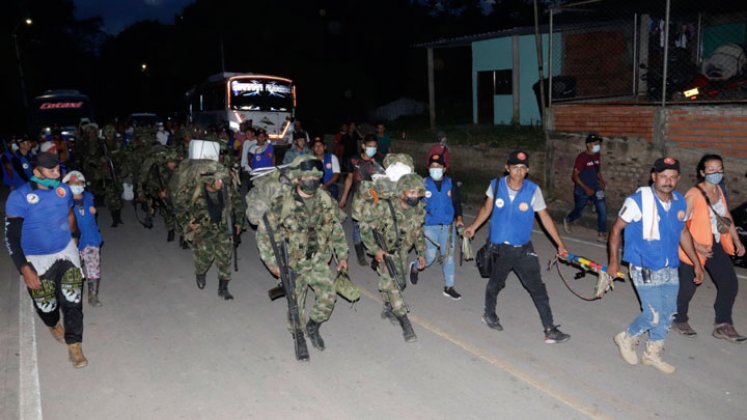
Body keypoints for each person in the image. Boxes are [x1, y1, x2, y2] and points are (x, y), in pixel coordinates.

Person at [607, 157, 704, 374]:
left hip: (670, 266)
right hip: (645, 265)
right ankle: (627, 336)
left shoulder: (680, 201)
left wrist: (697, 262)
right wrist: (614, 262)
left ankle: (652, 353)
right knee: (653, 315)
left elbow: (683, 232)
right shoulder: (637, 201)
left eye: (672, 177)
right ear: (654, 177)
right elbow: (615, 230)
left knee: (669, 313)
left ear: (678, 178)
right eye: (663, 176)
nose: (667, 181)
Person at [464, 151, 571, 344]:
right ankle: (489, 314)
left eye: (523, 168)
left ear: (527, 170)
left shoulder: (532, 190)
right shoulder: (495, 185)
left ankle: (550, 329)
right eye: (515, 168)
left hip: (523, 248)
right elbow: (486, 209)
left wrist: (560, 244)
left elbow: (544, 217)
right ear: (507, 168)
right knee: (495, 284)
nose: (519, 172)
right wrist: (473, 227)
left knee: (538, 288)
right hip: (499, 248)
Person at [256, 156, 349, 352]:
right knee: (295, 305)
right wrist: (273, 264)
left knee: (328, 295)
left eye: (316, 177)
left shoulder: (325, 200)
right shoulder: (283, 203)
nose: (312, 180)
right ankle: (298, 336)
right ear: (297, 178)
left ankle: (313, 326)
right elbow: (265, 235)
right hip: (292, 263)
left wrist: (342, 256)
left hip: (317, 259)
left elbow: (336, 229)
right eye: (307, 176)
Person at [4, 152, 88, 368]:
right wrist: (25, 268)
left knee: (72, 301)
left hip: (65, 252)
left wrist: (75, 236)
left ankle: (75, 346)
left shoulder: (63, 190)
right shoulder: (19, 197)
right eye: (50, 170)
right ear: (36, 172)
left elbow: (69, 213)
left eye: (58, 169)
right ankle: (52, 323)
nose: (56, 173)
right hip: (36, 259)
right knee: (46, 306)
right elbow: (11, 238)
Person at [672, 154, 746, 342]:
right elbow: (680, 225)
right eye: (711, 169)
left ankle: (723, 324)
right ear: (702, 172)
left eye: (719, 168)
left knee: (729, 283)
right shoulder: (694, 195)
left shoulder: (719, 190)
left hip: (714, 243)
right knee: (688, 287)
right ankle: (678, 318)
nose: (716, 172)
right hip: (692, 247)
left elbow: (726, 216)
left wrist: (737, 241)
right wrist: (697, 246)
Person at [359, 172, 426, 343]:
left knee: (399, 282)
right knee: (393, 283)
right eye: (411, 192)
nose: (415, 196)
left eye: (418, 193)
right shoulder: (385, 207)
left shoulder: (418, 209)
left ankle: (388, 306)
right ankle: (405, 322)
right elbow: (366, 228)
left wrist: (420, 252)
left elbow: (418, 232)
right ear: (402, 192)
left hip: (403, 250)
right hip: (386, 251)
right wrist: (376, 250)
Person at [181, 162, 246, 300]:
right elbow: (182, 209)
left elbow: (239, 204)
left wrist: (239, 222)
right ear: (209, 181)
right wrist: (188, 225)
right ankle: (200, 273)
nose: (221, 183)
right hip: (204, 229)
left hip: (223, 228)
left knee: (224, 258)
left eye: (222, 180)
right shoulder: (195, 193)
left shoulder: (226, 190)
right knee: (205, 257)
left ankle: (223, 287)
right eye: (218, 180)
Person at [409, 153, 464, 300]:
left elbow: (457, 203)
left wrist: (459, 219)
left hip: (447, 226)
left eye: (438, 167)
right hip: (429, 227)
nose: (435, 169)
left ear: (444, 169)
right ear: (428, 168)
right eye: (432, 167)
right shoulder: (422, 184)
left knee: (448, 257)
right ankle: (414, 267)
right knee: (430, 257)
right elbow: (413, 205)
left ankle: (449, 287)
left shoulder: (451, 184)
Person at [339, 134, 384, 265]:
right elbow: (349, 178)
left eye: (375, 147)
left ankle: (377, 253)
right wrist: (344, 197)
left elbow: (383, 182)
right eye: (370, 146)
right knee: (357, 226)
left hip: (374, 199)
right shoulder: (354, 160)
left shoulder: (378, 161)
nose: (372, 149)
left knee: (375, 226)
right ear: (363, 146)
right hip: (358, 199)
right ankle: (360, 254)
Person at [63, 170, 104, 307]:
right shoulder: (63, 201)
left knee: (93, 268)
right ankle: (72, 296)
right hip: (71, 241)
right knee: (72, 270)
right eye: (74, 183)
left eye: (80, 182)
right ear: (67, 185)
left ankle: (93, 296)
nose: (78, 185)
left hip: (91, 238)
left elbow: (90, 211)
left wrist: (93, 210)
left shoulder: (88, 197)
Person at [563, 133, 608, 242]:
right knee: (578, 210)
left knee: (603, 209)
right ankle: (568, 219)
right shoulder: (582, 158)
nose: (597, 145)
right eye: (595, 143)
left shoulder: (597, 156)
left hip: (596, 188)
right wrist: (586, 189)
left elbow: (597, 171)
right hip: (582, 190)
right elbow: (574, 176)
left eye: (598, 143)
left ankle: (601, 233)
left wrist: (602, 181)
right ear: (588, 144)